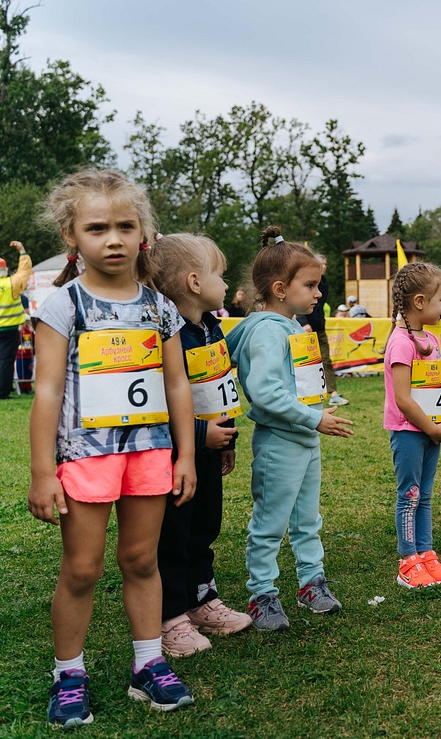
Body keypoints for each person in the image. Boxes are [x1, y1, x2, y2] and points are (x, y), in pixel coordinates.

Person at [27, 169, 197, 727]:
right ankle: (68, 673)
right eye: (97, 228)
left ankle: (148, 664)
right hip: (85, 458)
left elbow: (177, 385)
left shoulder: (159, 308)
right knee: (81, 568)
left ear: (143, 232)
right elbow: (47, 390)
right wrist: (42, 472)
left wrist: (187, 455)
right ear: (71, 236)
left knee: (141, 559)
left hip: (148, 455)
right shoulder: (63, 306)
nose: (114, 239)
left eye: (126, 226)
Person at [225, 227, 354, 631]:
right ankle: (262, 594)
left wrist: (313, 420)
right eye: (311, 285)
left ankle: (310, 583)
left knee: (306, 518)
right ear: (280, 288)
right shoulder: (266, 330)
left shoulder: (291, 327)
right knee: (269, 523)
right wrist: (315, 417)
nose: (319, 293)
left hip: (305, 439)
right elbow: (264, 391)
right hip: (281, 441)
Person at [146, 234, 253, 657]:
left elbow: (218, 386)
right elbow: (157, 400)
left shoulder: (211, 327)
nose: (226, 285)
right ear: (194, 281)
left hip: (209, 453)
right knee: (173, 534)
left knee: (205, 527)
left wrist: (226, 438)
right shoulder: (165, 337)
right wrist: (196, 433)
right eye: (220, 275)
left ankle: (201, 600)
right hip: (174, 457)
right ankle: (170, 615)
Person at [384, 262, 441, 588]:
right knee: (409, 495)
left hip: (432, 431)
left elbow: (437, 385)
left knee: (424, 495)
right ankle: (407, 560)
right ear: (419, 302)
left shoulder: (431, 339)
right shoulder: (400, 342)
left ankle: (426, 553)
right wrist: (430, 428)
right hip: (409, 433)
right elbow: (403, 398)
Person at [298, 255, 348, 407]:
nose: (324, 267)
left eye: (325, 264)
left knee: (325, 360)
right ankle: (304, 395)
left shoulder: (324, 284)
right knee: (304, 364)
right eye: (321, 264)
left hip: (320, 328)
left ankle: (333, 393)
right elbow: (299, 302)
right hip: (304, 329)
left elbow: (320, 303)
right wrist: (303, 322)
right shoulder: (304, 282)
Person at [0, 240, 31, 399]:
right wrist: (22, 251)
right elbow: (24, 270)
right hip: (8, 330)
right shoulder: (13, 283)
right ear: (5, 269)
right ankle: (0, 393)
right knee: (4, 362)